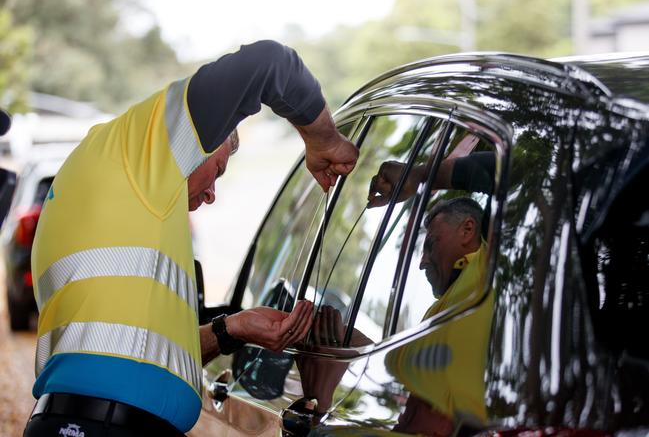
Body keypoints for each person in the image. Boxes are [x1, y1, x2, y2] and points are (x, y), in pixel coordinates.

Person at [23, 40, 359, 436]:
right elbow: (271, 63)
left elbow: (142, 355)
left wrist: (232, 329)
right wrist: (324, 139)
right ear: (195, 140)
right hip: (100, 426)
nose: (212, 193)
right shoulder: (138, 151)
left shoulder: (122, 202)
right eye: (217, 170)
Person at [387, 197, 494, 437]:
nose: (422, 262)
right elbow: (402, 363)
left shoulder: (489, 265)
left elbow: (501, 170)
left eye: (431, 245)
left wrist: (421, 175)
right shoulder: (436, 310)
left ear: (468, 230)